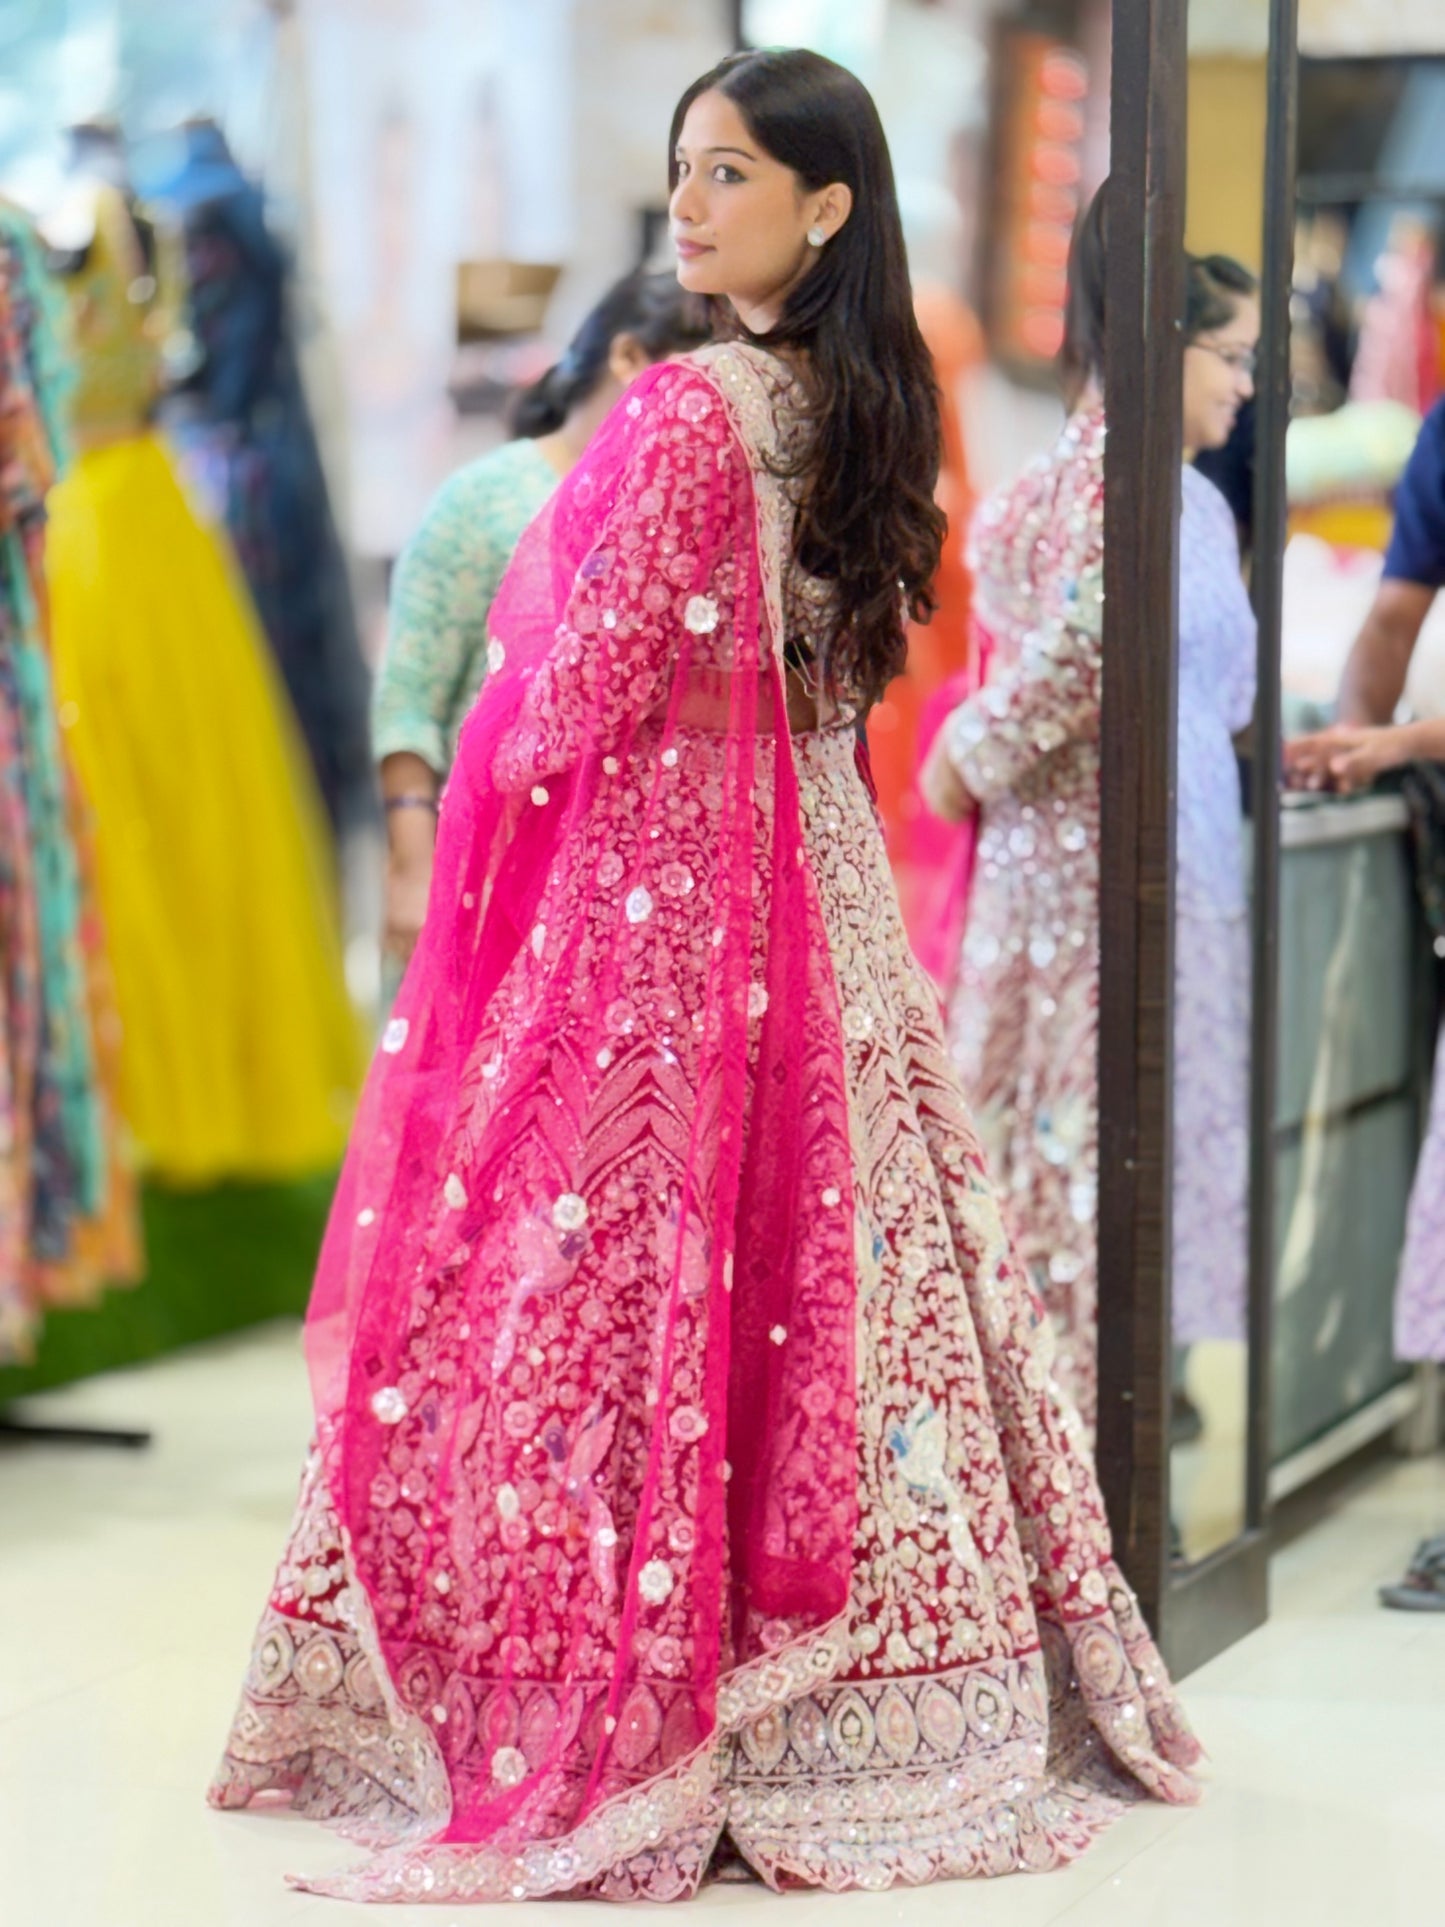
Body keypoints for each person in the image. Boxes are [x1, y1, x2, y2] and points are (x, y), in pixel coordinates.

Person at [211, 52, 1197, 1903]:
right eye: (682, 168)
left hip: (665, 914)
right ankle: (899, 1695)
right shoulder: (866, 404)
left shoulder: (687, 413)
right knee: (867, 1271)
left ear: (824, 205)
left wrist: (495, 754)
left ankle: (632, 1696)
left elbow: (571, 693)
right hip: (821, 894)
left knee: (599, 1288)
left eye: (728, 172)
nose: (689, 201)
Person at [921, 191, 1260, 1437]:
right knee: (1068, 1165)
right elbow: (1072, 661)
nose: (1243, 387)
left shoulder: (1168, 494)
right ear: (1157, 339)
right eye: (1229, 358)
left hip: (1150, 861)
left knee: (1100, 1160)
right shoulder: (1103, 487)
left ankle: (1104, 1431)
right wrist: (961, 755)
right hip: (1078, 870)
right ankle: (1066, 1460)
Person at [43, 156, 362, 1184]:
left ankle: (179, 1092)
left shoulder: (91, 232)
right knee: (167, 785)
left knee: (152, 793)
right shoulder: (142, 232)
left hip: (104, 530)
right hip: (145, 525)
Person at [374, 269, 709, 973]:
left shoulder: (677, 524)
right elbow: (410, 697)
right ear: (628, 359)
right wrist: (410, 867)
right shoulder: (490, 498)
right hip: (485, 868)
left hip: (614, 894)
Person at [144, 118, 373, 836]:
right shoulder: (242, 213)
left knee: (259, 664)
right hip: (270, 463)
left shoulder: (206, 220)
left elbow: (213, 366)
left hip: (238, 475)